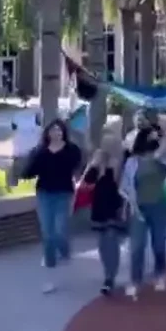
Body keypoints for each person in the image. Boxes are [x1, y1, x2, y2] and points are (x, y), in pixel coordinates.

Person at [22, 118, 83, 294]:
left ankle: (64, 252)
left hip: (63, 194)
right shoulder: (40, 151)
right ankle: (50, 273)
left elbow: (77, 167)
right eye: (53, 130)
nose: (56, 133)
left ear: (63, 132)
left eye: (59, 130)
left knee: (60, 231)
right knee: (48, 234)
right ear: (47, 133)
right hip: (44, 195)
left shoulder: (71, 150)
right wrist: (30, 160)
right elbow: (29, 172)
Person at [120, 128, 166, 300]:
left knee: (159, 243)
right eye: (150, 136)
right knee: (137, 246)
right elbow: (126, 186)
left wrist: (164, 134)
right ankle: (135, 280)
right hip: (139, 207)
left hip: (160, 206)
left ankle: (160, 273)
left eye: (156, 137)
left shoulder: (164, 159)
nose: (153, 139)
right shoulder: (132, 162)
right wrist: (130, 206)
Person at [82, 132, 127, 295]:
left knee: (111, 241)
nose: (108, 147)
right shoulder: (98, 161)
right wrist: (94, 164)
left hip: (115, 207)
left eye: (111, 143)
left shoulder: (123, 161)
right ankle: (108, 272)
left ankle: (110, 277)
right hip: (99, 207)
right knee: (102, 244)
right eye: (106, 143)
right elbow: (87, 181)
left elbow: (124, 185)